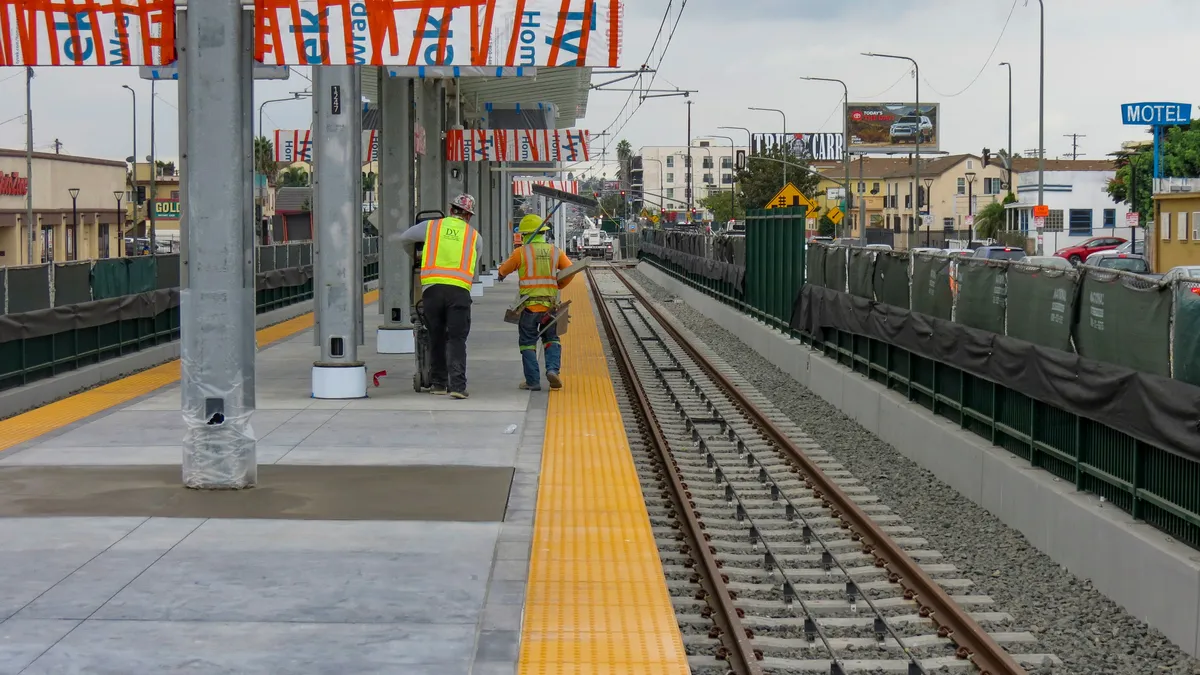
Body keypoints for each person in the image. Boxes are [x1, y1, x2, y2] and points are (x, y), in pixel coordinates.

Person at [398, 193, 482, 399]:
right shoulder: (474, 236)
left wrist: (417, 258)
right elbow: (474, 262)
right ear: (469, 216)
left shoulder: (431, 227)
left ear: (451, 210)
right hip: (459, 291)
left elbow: (405, 238)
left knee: (435, 336)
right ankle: (458, 387)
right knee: (456, 339)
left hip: (432, 290)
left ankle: (438, 384)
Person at [497, 214, 575, 391]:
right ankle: (552, 370)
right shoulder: (555, 251)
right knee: (551, 339)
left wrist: (501, 273)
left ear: (525, 235)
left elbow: (503, 270)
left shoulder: (520, 252)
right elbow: (570, 270)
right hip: (550, 307)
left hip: (529, 308)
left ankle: (532, 381)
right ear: (544, 233)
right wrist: (558, 284)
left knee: (527, 342)